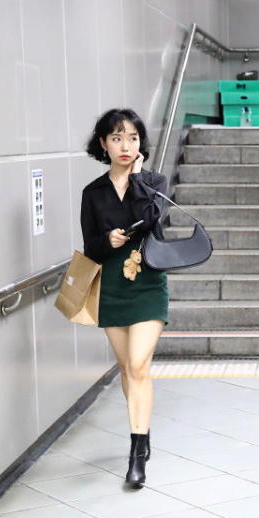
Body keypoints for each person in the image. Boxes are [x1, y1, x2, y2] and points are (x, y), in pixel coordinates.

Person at [81, 109, 168, 489]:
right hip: (111, 286)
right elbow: (90, 248)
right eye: (116, 138)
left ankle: (136, 456)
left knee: (138, 365)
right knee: (127, 368)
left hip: (147, 283)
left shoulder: (154, 182)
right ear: (103, 144)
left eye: (132, 138)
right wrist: (107, 241)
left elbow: (151, 218)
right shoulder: (93, 193)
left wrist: (137, 179)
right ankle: (142, 432)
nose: (125, 145)